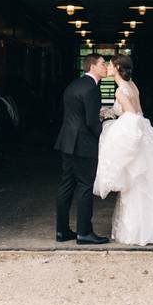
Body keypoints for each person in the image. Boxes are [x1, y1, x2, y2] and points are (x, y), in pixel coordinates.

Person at [94, 54, 153, 246]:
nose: (108, 69)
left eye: (110, 66)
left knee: (135, 184)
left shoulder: (120, 91)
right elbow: (138, 113)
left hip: (134, 137)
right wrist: (110, 112)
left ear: (117, 67)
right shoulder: (133, 85)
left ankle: (139, 231)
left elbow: (132, 117)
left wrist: (110, 129)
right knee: (148, 181)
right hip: (144, 136)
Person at [53, 53, 110, 245]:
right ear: (92, 66)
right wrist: (104, 136)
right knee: (85, 186)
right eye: (103, 63)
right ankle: (84, 233)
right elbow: (91, 121)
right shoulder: (92, 88)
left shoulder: (74, 85)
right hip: (83, 144)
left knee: (66, 186)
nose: (106, 66)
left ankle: (62, 231)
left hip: (66, 141)